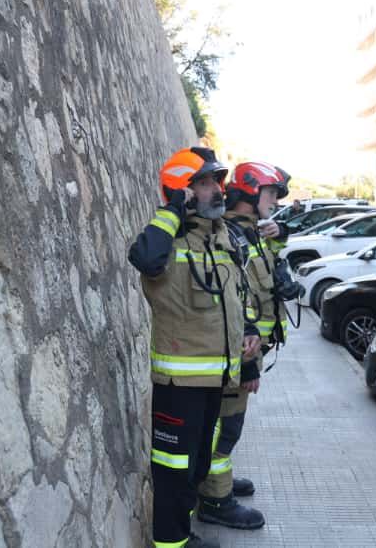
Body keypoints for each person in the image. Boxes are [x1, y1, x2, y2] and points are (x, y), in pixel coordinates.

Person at [128, 147, 261, 548]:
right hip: (179, 383)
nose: (217, 190)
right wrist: (173, 210)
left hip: (216, 379)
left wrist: (250, 341)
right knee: (174, 472)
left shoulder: (219, 238)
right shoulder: (168, 239)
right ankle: (170, 544)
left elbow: (236, 298)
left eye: (217, 181)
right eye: (203, 183)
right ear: (181, 191)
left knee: (199, 465)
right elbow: (145, 258)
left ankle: (183, 537)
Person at [197, 162, 292, 530]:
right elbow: (236, 302)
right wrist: (248, 363)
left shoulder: (252, 233)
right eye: (270, 194)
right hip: (241, 354)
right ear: (250, 193)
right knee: (226, 427)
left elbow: (267, 270)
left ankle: (217, 480)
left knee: (229, 424)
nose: (274, 201)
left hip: (251, 351)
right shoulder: (233, 236)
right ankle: (215, 500)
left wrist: (279, 233)